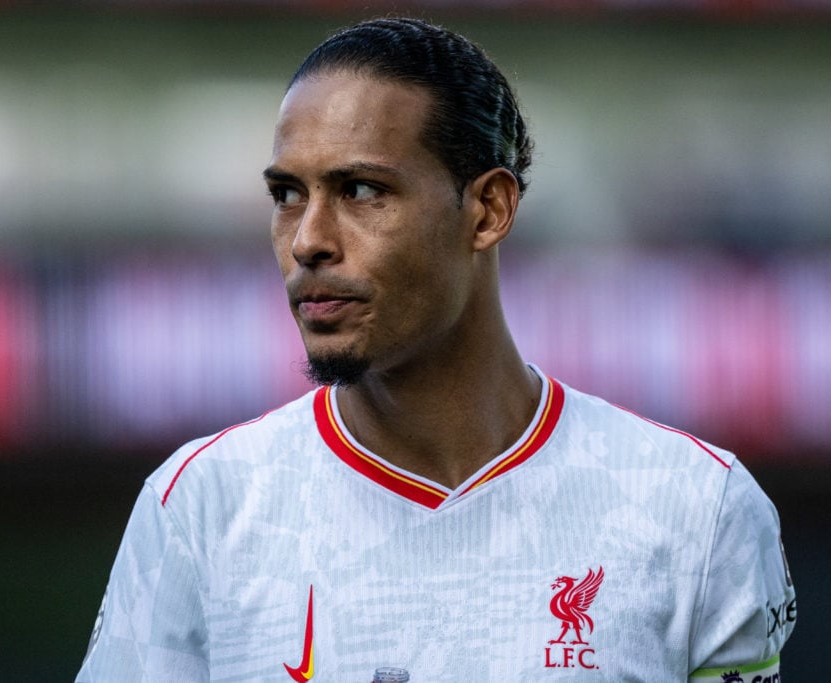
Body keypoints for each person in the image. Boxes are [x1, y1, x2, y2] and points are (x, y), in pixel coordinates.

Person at [76, 17, 795, 681]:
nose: (308, 239)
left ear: (488, 209)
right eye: (288, 194)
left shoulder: (698, 512)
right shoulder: (200, 508)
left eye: (360, 189)